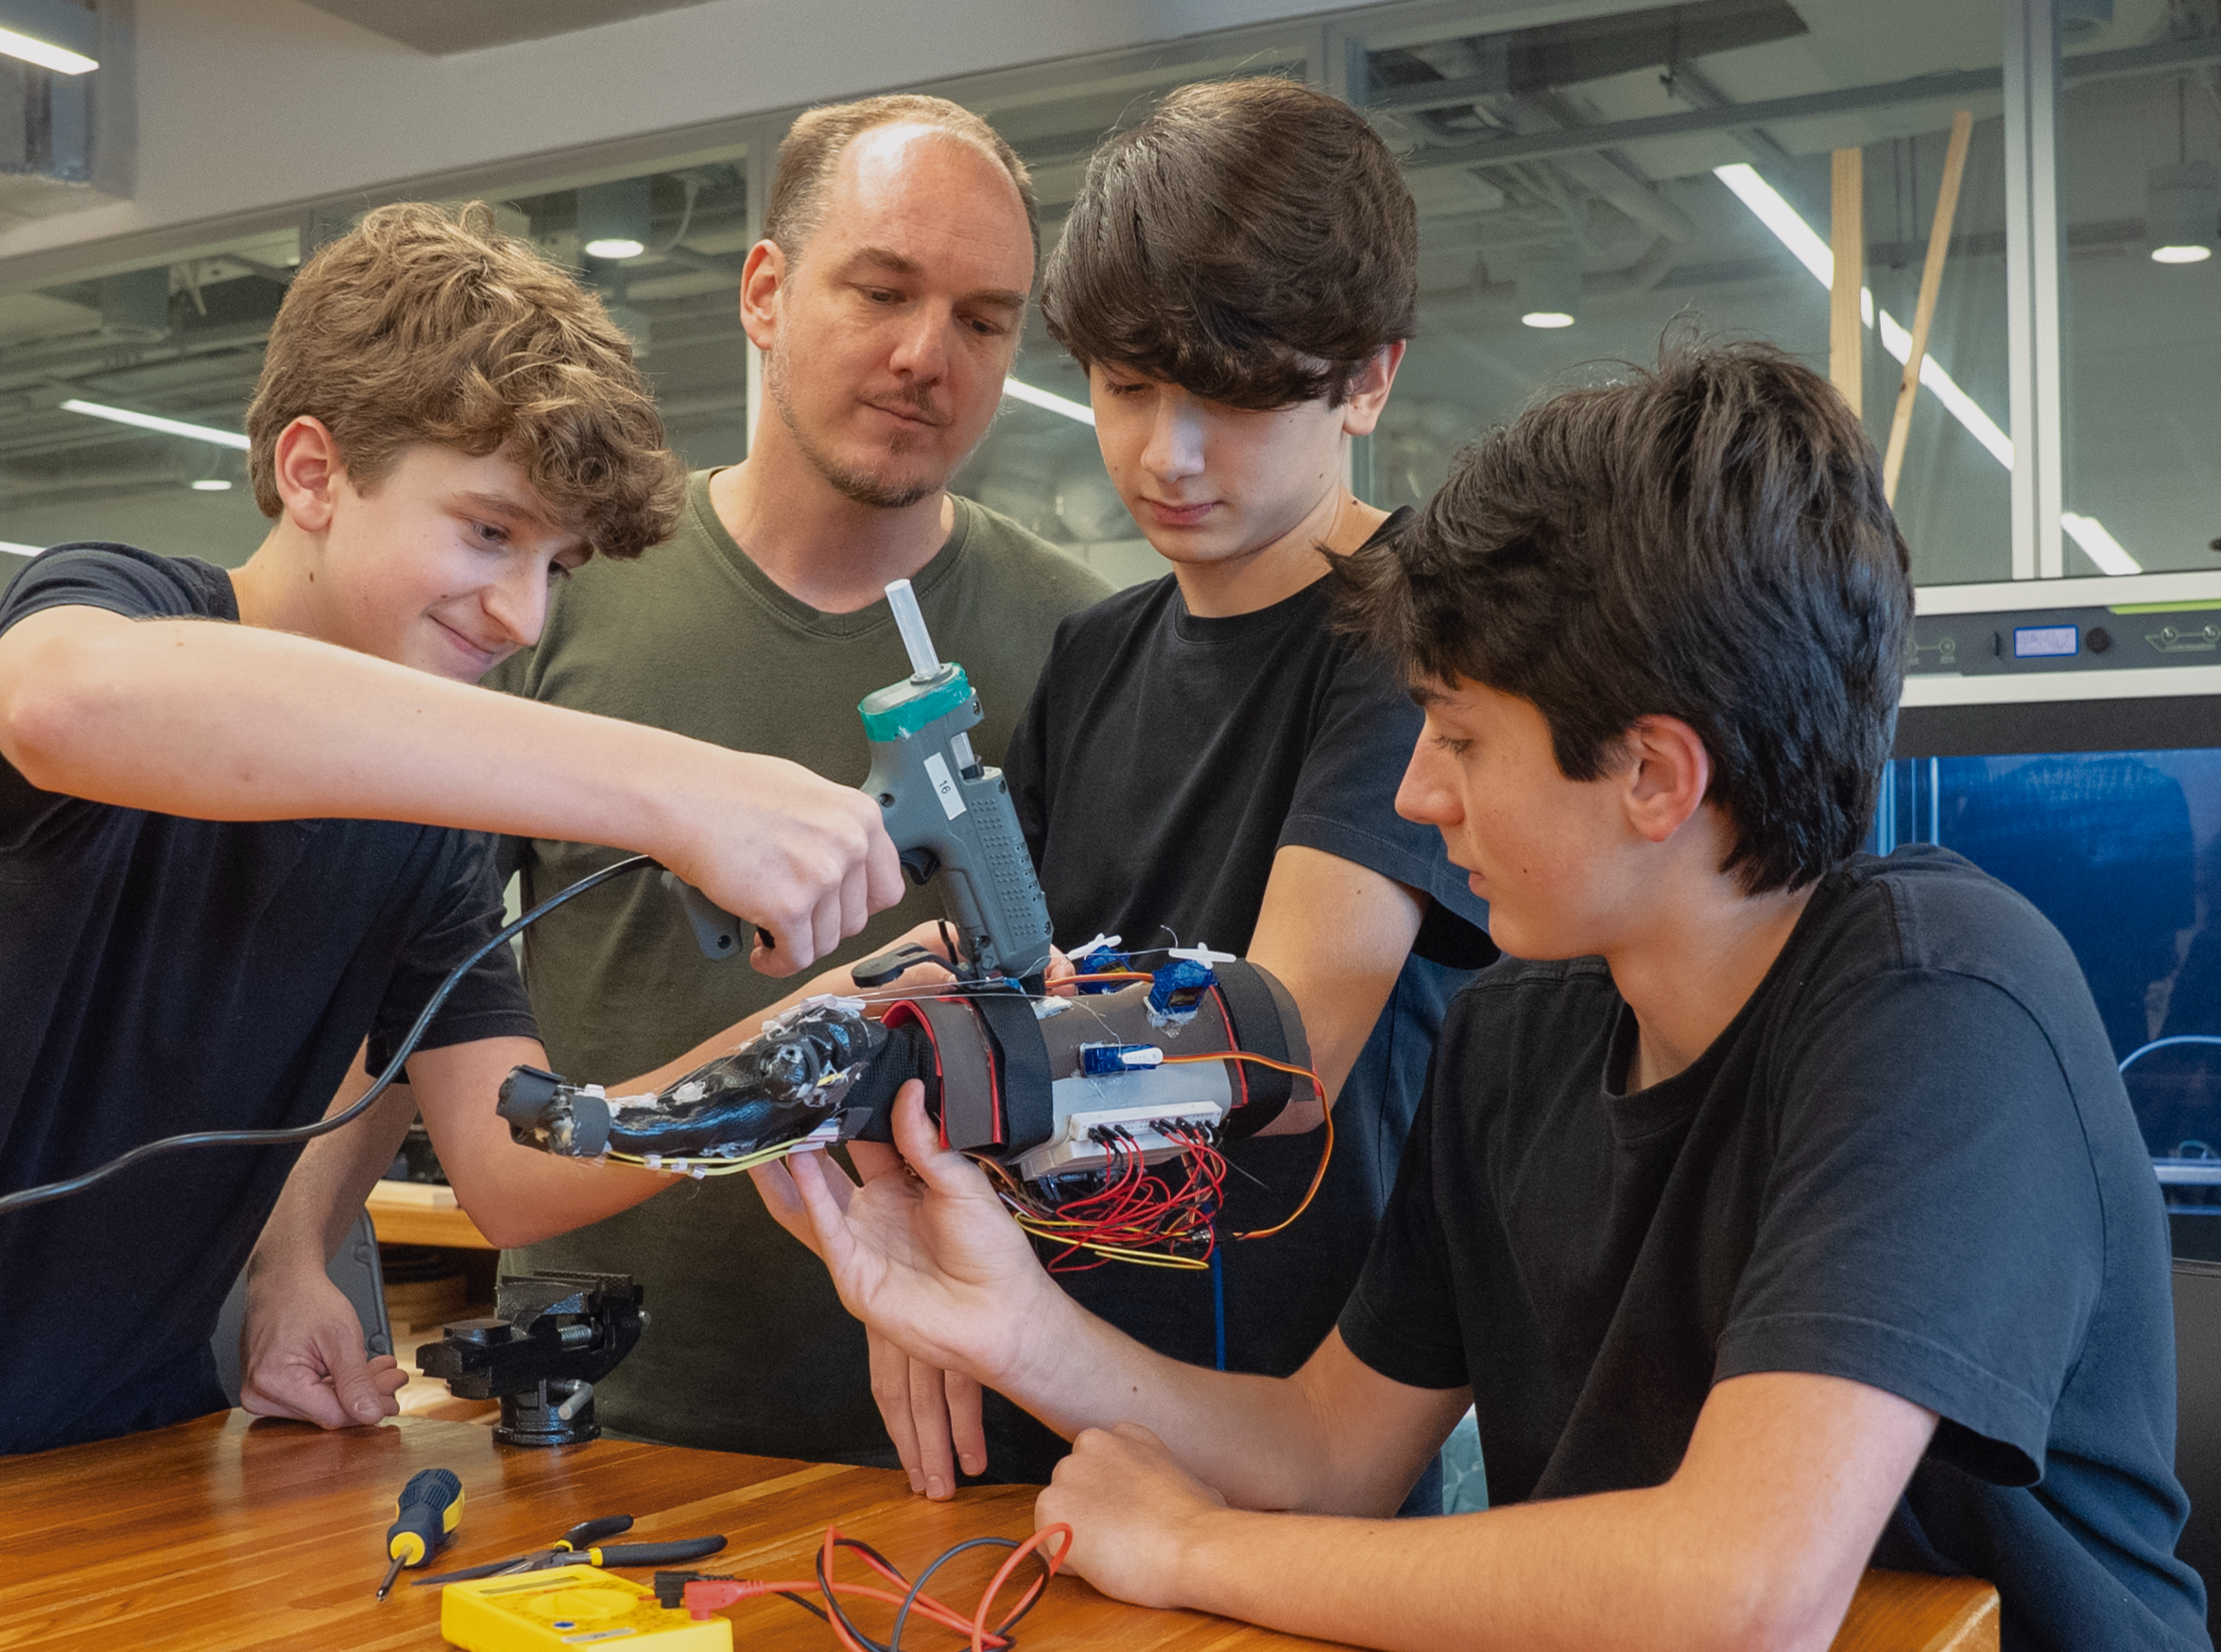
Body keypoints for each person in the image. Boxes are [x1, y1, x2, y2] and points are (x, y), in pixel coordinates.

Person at [761, 341, 2212, 1652]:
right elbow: (1333, 1451)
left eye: (1458, 737)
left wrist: (1199, 1550)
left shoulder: (1938, 1006)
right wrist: (1002, 1321)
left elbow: (1744, 1592)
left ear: (1654, 775)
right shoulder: (1517, 1034)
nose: (1414, 791)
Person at [0, 200, 902, 1490]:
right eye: (487, 531)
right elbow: (62, 705)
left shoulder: (429, 834)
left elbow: (520, 1168)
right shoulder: (115, 609)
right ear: (312, 472)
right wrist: (675, 787)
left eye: (558, 565)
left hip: (114, 1463)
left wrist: (820, 1034)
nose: (521, 612)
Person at [233, 95, 1112, 1462]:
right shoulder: (544, 595)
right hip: (605, 1419)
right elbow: (412, 983)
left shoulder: (1082, 639)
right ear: (766, 293)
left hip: (977, 1434)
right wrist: (296, 1250)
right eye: (879, 289)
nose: (925, 355)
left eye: (985, 320)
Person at [875, 77, 1492, 1497]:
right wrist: (904, 1167)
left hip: (1313, 1430)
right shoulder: (1095, 653)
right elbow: (997, 971)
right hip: (1051, 1386)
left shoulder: (1420, 638)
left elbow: (1280, 1048)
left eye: (1227, 400)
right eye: (1126, 388)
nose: (1167, 455)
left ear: (1368, 378)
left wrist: (930, 1085)